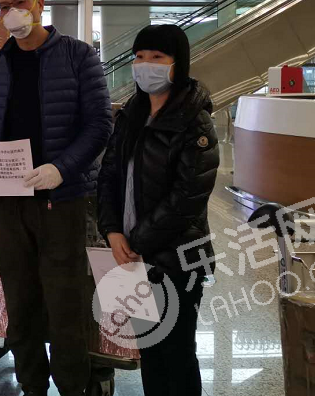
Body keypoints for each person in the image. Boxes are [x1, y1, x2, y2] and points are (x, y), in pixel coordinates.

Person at [0, 0, 113, 396]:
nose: (12, 12)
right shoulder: (0, 63)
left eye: (19, 2)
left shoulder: (77, 55)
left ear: (39, 4)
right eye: (3, 7)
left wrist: (62, 168)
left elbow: (100, 124)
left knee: (64, 301)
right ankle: (32, 384)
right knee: (19, 300)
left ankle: (72, 386)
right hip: (9, 201)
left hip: (60, 200)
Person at [96, 24, 219, 396]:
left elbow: (188, 197)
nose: (145, 64)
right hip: (131, 255)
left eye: (157, 57)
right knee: (149, 348)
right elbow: (109, 175)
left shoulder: (194, 119)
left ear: (177, 63)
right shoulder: (131, 114)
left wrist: (138, 242)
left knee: (177, 352)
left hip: (177, 257)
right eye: (139, 57)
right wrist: (112, 231)